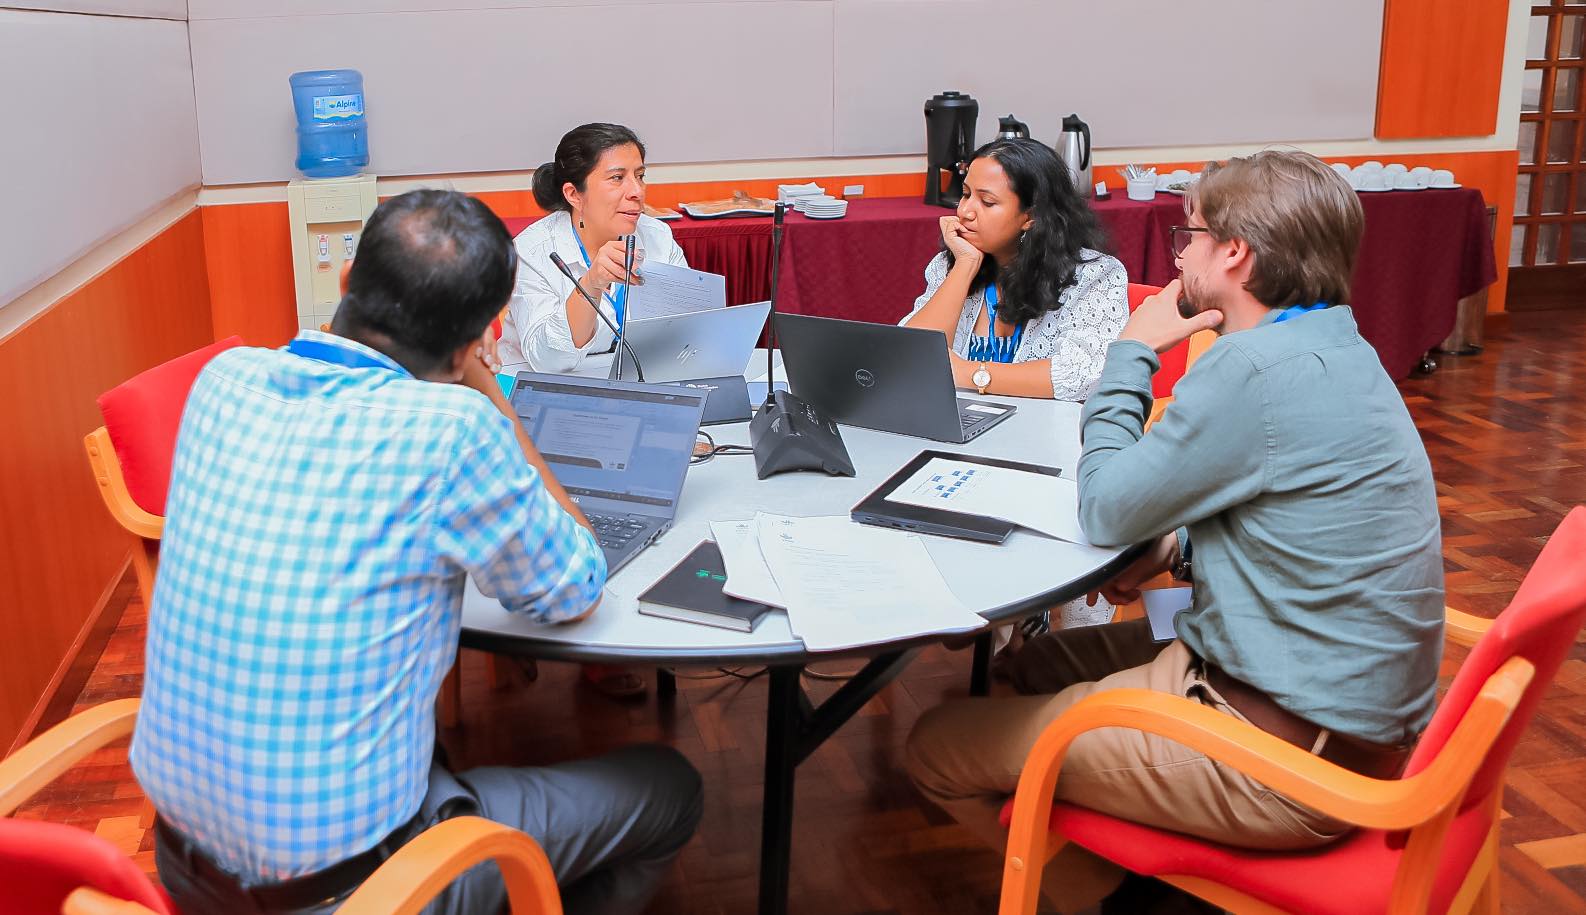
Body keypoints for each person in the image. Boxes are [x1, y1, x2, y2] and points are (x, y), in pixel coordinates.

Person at [131, 190, 703, 915]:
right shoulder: (452, 430)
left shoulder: (224, 380)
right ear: (470, 346)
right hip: (353, 893)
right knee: (672, 789)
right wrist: (486, 393)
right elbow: (576, 582)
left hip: (180, 862)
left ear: (345, 285)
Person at [904, 149, 1444, 912]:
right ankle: (1140, 868)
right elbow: (1289, 519)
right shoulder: (1335, 343)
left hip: (1281, 750)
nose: (1178, 251)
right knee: (1031, 666)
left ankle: (1125, 902)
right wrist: (1178, 549)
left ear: (1234, 253)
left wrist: (1130, 352)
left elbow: (1104, 510)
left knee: (935, 748)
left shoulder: (1249, 370)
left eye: (1189, 233)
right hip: (1333, 698)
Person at [900, 137, 1128, 402]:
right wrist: (964, 267)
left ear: (1031, 217)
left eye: (987, 202)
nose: (965, 212)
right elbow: (910, 360)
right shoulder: (950, 264)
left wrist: (967, 374)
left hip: (1048, 434)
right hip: (961, 428)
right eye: (965, 194)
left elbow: (1082, 373)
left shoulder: (1096, 275)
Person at [499, 122, 688, 372]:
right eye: (617, 178)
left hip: (632, 382)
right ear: (574, 195)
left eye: (640, 176)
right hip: (543, 389)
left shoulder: (657, 237)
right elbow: (549, 361)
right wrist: (591, 283)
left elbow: (687, 332)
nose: (636, 191)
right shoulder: (532, 250)